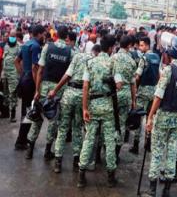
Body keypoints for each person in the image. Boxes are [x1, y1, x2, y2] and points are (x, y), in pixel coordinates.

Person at [144, 36, 177, 197]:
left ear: (170, 53)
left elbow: (158, 96)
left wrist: (150, 117)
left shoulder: (168, 70)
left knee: (157, 150)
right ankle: (166, 190)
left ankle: (152, 190)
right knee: (172, 152)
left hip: (164, 116)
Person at [26, 26, 73, 160]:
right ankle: (47, 151)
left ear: (57, 34)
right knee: (53, 121)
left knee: (37, 117)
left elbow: (40, 70)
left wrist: (37, 90)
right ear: (67, 37)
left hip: (44, 86)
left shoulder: (47, 47)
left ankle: (30, 149)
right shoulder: (70, 52)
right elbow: (69, 75)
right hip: (59, 89)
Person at [78, 35, 117, 188]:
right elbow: (119, 84)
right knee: (109, 140)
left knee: (89, 139)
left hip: (93, 106)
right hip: (107, 106)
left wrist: (85, 108)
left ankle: (81, 175)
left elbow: (85, 87)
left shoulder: (90, 62)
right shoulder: (112, 63)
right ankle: (110, 177)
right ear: (110, 48)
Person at [48, 36, 92, 173]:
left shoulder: (77, 57)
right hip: (82, 97)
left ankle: (58, 161)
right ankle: (75, 160)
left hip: (69, 94)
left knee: (62, 128)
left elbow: (67, 75)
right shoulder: (94, 61)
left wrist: (55, 90)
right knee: (77, 128)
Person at [14, 25, 45, 150]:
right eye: (43, 34)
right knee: (29, 112)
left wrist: (22, 74)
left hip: (24, 80)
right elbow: (34, 68)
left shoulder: (26, 44)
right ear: (39, 34)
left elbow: (16, 61)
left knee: (25, 111)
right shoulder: (36, 46)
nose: (44, 37)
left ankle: (22, 139)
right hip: (30, 82)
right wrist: (37, 88)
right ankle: (21, 141)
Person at [131, 37, 160, 155]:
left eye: (142, 45)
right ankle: (148, 143)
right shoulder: (157, 57)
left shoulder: (144, 58)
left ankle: (136, 145)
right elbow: (158, 75)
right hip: (153, 91)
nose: (140, 47)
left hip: (143, 91)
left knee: (139, 117)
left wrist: (134, 87)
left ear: (147, 45)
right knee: (150, 117)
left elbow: (137, 76)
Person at [111, 35, 137, 161]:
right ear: (129, 46)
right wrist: (133, 101)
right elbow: (133, 83)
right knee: (121, 124)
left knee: (108, 122)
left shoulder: (113, 58)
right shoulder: (131, 61)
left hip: (113, 94)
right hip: (125, 94)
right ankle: (115, 154)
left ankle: (104, 151)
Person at [1, 30, 21, 122]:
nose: (12, 38)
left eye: (13, 36)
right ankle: (6, 113)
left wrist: (20, 74)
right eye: (11, 36)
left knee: (13, 95)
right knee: (5, 94)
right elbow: (3, 60)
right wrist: (2, 72)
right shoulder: (6, 46)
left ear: (16, 37)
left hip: (14, 74)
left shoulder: (19, 47)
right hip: (5, 74)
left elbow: (20, 62)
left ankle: (12, 115)